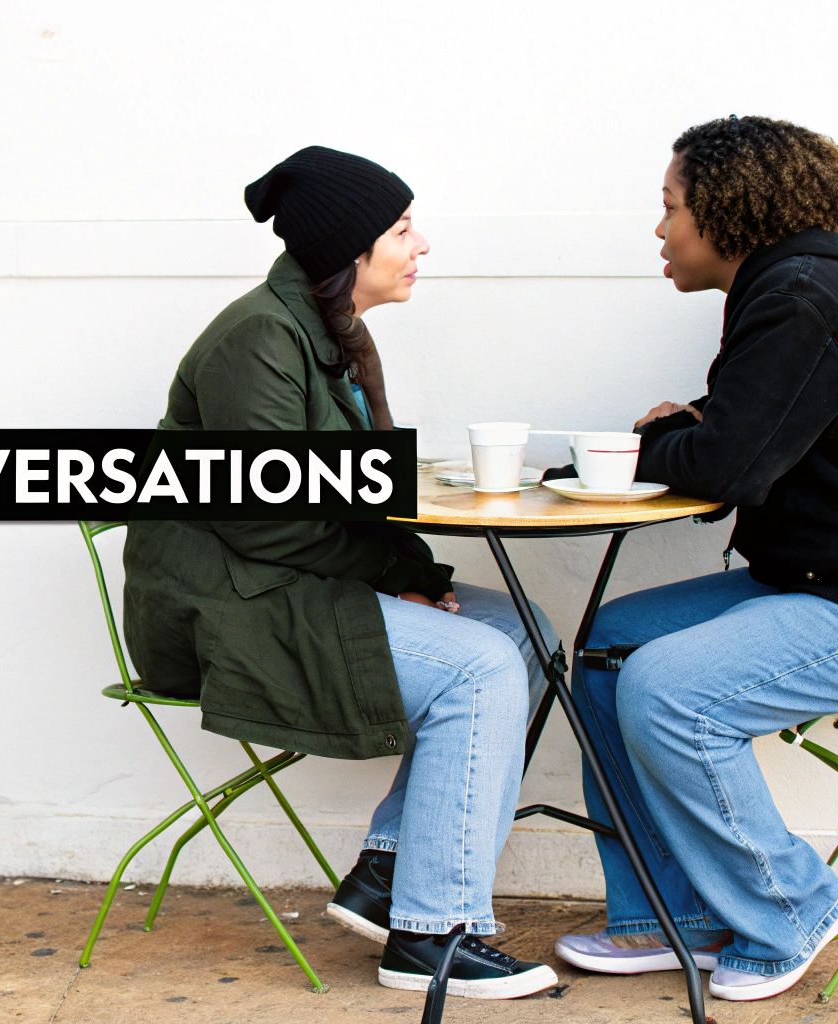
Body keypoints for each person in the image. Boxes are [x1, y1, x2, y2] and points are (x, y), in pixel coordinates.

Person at [550, 117, 838, 1002]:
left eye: (670, 206)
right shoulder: (794, 287)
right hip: (837, 579)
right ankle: (670, 916)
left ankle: (791, 905)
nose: (660, 227)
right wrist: (692, 431)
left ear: (726, 209)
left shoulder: (800, 297)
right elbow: (754, 432)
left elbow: (730, 469)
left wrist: (648, 448)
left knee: (670, 689)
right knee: (613, 647)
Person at [122, 146, 559, 999]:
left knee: (521, 632)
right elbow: (265, 515)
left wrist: (415, 568)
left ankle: (388, 874)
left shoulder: (332, 336)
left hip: (289, 580)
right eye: (401, 229)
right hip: (231, 603)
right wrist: (393, 575)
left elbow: (357, 495)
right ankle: (432, 935)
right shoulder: (258, 339)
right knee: (479, 669)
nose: (420, 244)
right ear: (348, 250)